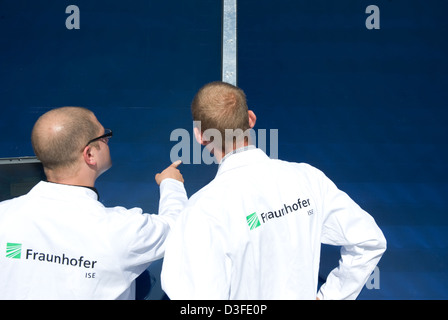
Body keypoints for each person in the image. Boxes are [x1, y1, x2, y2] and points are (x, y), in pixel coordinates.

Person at [161, 81, 387, 300]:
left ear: (199, 136)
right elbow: (369, 240)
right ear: (251, 118)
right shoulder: (308, 179)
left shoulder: (201, 211)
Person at [0, 106, 187, 299]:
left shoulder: (4, 217)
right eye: (103, 136)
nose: (107, 140)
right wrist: (171, 183)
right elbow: (180, 227)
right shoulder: (120, 230)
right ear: (89, 154)